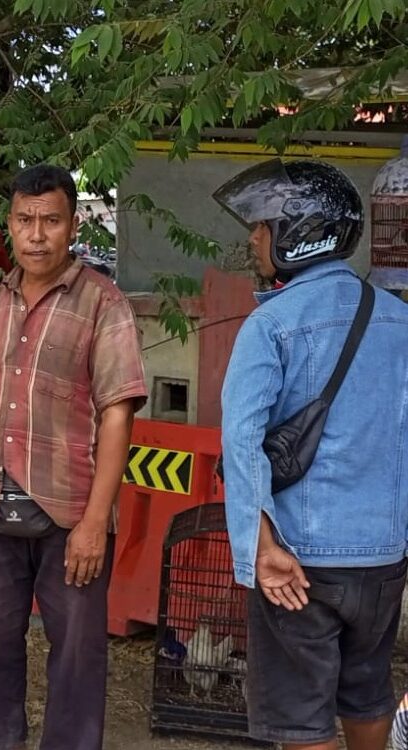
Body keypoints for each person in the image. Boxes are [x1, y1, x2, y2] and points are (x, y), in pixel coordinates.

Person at [0, 163, 148, 750]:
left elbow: (119, 413)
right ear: (9, 224)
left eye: (51, 221)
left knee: (77, 658)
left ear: (72, 224)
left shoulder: (103, 304)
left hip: (70, 516)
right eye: (25, 220)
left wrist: (94, 522)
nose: (37, 234)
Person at [217, 159, 408, 750]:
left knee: (301, 719)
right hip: (382, 559)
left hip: (300, 561)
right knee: (367, 693)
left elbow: (242, 441)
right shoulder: (401, 320)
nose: (253, 237)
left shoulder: (271, 324)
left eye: (263, 225)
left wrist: (262, 547)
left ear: (300, 234)